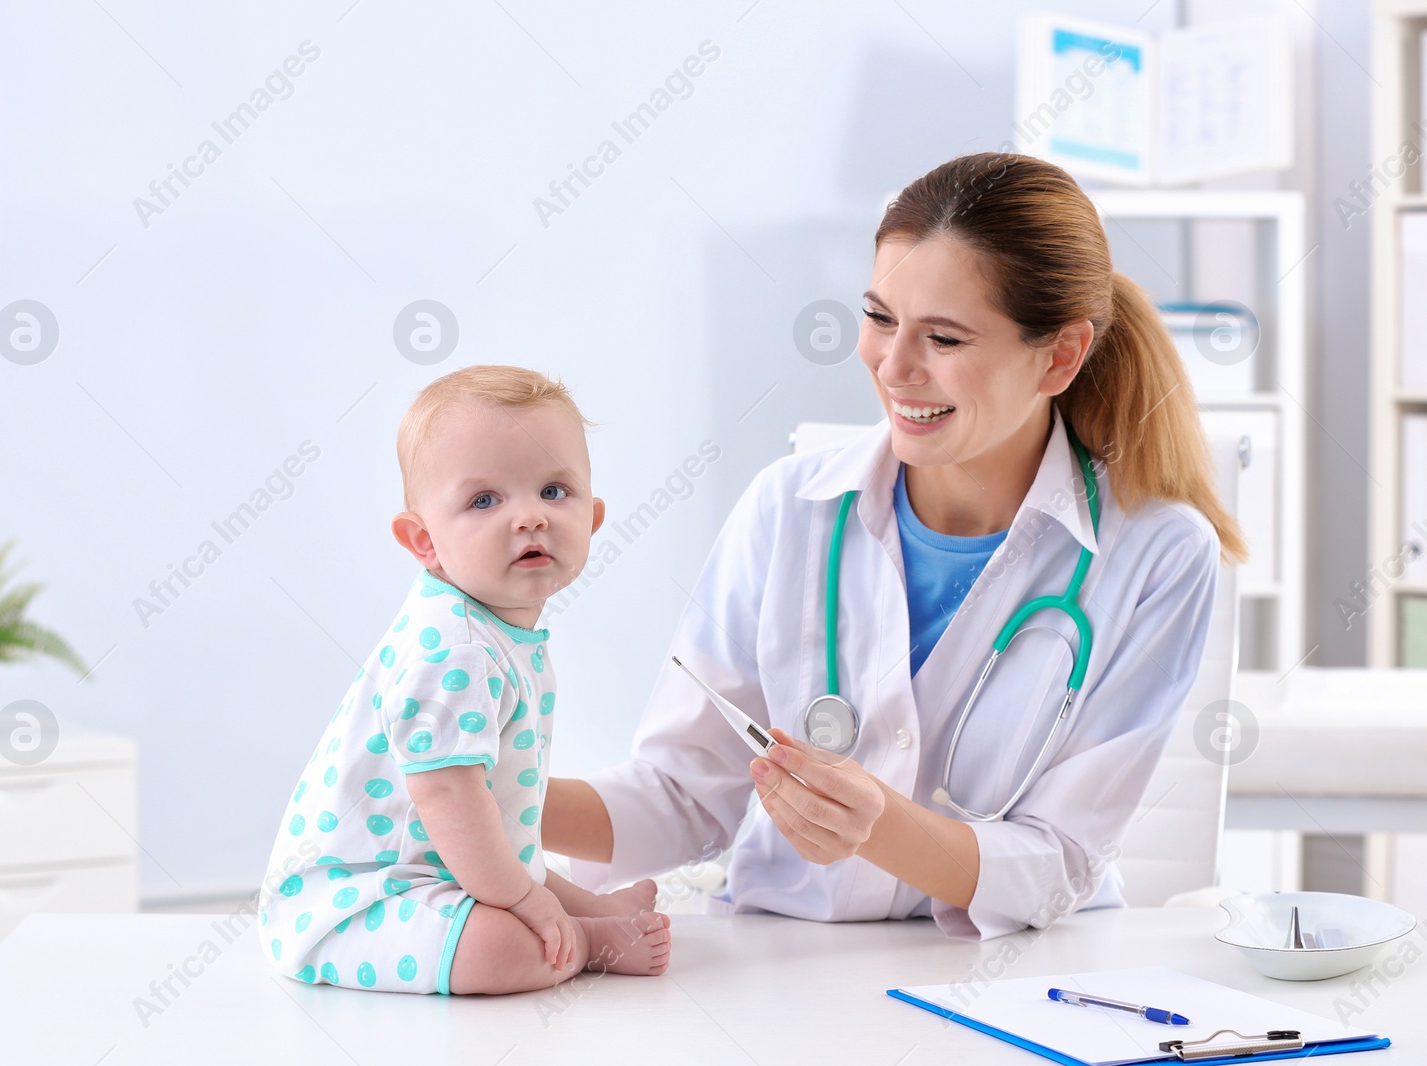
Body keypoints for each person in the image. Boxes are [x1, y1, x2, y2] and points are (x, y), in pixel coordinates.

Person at [543, 151, 1249, 940]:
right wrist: (491, 796)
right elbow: (683, 794)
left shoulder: (1157, 553)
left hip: (1016, 982)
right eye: (880, 318)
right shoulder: (787, 509)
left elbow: (1059, 863)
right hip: (791, 973)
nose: (894, 366)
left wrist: (876, 826)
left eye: (944, 338)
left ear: (1059, 356)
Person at [258, 365, 671, 995]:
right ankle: (587, 940)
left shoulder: (497, 631)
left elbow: (505, 818)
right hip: (351, 903)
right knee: (501, 946)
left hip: (443, 870)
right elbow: (451, 799)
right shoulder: (455, 647)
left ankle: (590, 906)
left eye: (554, 491)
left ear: (593, 516)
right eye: (485, 500)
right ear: (423, 540)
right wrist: (534, 908)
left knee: (515, 862)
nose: (529, 517)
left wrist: (545, 891)